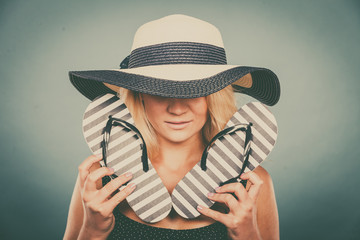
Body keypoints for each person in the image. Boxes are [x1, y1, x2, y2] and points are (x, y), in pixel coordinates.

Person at [63, 14, 280, 240]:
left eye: (195, 91)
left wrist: (248, 235)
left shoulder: (253, 184)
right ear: (140, 95)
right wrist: (93, 231)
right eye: (160, 91)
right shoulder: (99, 178)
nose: (177, 109)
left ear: (214, 96)